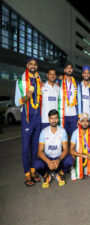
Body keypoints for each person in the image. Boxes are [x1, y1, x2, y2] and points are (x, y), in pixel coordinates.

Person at [15, 58, 42, 186]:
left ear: (37, 66)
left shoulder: (39, 79)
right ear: (27, 65)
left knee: (35, 147)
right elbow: (16, 102)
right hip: (27, 118)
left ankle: (33, 171)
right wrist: (27, 96)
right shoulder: (21, 81)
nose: (33, 66)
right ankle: (27, 175)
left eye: (35, 64)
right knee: (26, 148)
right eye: (30, 64)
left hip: (38, 118)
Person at [34, 109, 74, 188]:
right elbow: (40, 152)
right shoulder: (44, 132)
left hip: (58, 159)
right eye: (52, 118)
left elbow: (66, 149)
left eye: (55, 118)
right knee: (36, 164)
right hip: (47, 159)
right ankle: (46, 176)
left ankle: (60, 174)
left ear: (58, 119)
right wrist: (48, 161)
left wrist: (58, 160)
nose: (54, 120)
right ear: (49, 120)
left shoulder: (62, 131)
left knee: (70, 159)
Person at [70, 113, 90, 180]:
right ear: (80, 122)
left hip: (88, 154)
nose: (85, 123)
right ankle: (73, 168)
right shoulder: (75, 133)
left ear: (89, 123)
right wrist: (82, 155)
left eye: (86, 121)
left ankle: (86, 167)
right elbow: (71, 150)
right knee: (71, 155)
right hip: (79, 155)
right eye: (83, 121)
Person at [58, 62, 78, 137]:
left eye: (70, 68)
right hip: (63, 115)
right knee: (63, 138)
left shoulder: (76, 84)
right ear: (64, 70)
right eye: (67, 68)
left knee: (74, 138)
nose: (69, 69)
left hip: (73, 115)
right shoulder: (59, 83)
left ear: (72, 70)